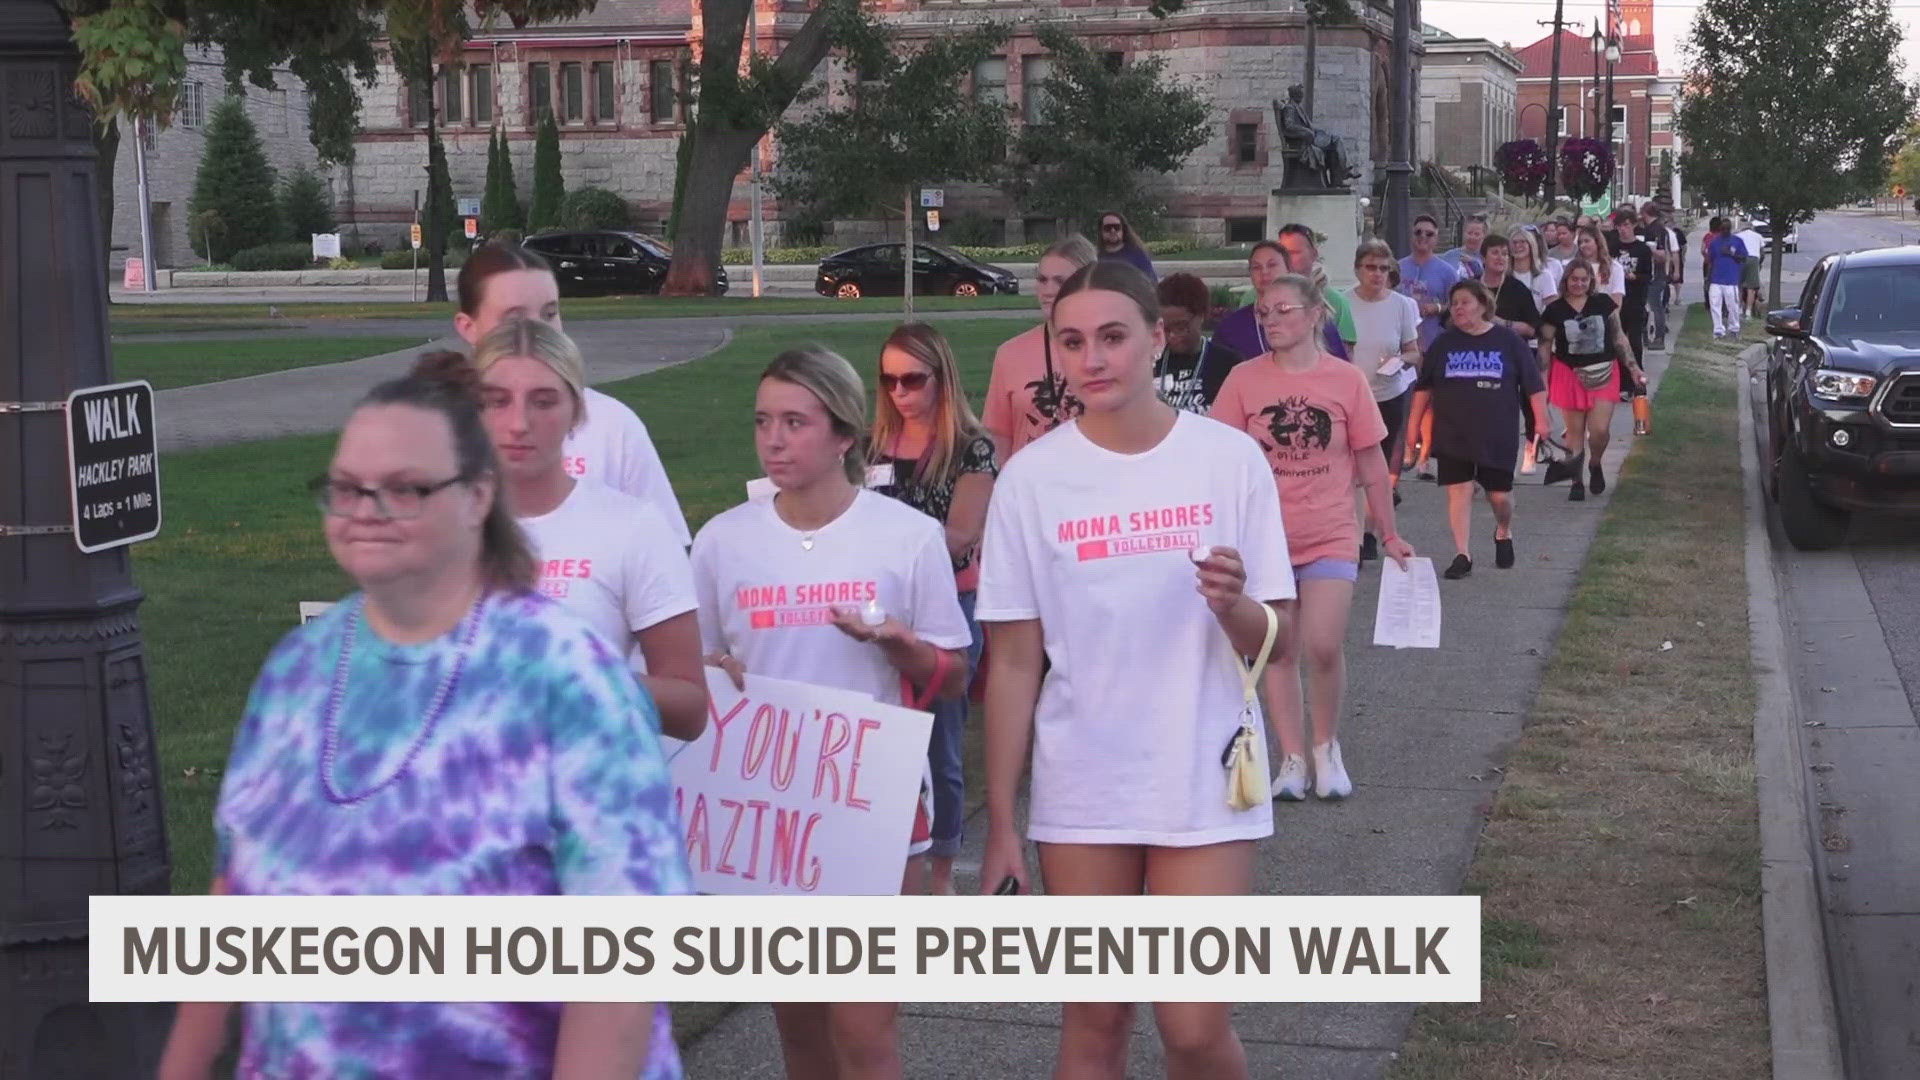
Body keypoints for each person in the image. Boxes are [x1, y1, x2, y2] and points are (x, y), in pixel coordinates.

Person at [160, 353, 690, 1079]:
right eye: (346, 488)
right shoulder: (297, 670)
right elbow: (234, 901)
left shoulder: (571, 680)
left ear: (477, 497)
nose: (367, 511)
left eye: (407, 489)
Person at [978, 260, 1294, 1078]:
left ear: (1158, 339)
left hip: (1204, 771)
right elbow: (1013, 664)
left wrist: (1234, 607)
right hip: (1084, 784)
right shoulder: (1031, 481)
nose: (1093, 359)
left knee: (1190, 1026)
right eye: (1072, 340)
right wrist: (1004, 822)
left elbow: (1278, 639)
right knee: (1097, 1016)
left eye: (1113, 337)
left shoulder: (1228, 461)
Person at [692, 347, 971, 1079]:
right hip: (773, 818)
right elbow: (697, 668)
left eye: (795, 422)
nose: (774, 439)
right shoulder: (724, 540)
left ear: (844, 434)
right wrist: (712, 673)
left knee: (865, 1027)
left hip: (876, 808)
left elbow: (954, 674)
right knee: (803, 1031)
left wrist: (903, 647)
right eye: (763, 422)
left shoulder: (904, 537)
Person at [1212, 273, 1412, 801]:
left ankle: (1327, 747)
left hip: (1329, 532)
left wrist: (1388, 533)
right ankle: (1292, 759)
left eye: (1282, 310)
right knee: (1277, 648)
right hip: (1266, 542)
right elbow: (1221, 464)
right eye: (1264, 313)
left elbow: (1370, 463)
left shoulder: (1345, 380)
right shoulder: (1242, 380)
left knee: (1322, 645)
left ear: (1314, 313)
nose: (1271, 320)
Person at [468, 317, 709, 742]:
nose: (519, 423)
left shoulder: (631, 528)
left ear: (577, 411)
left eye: (543, 401)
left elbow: (690, 707)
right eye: (498, 400)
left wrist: (587, 680)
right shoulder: (435, 532)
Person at [868, 323, 999, 897]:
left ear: (941, 378)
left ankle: (941, 871)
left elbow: (959, 535)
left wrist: (883, 555)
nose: (900, 392)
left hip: (949, 604)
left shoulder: (974, 448)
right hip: (877, 610)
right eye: (889, 379)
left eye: (913, 379)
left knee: (940, 744)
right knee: (877, 737)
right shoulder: (872, 446)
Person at [453, 240, 692, 546]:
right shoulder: (436, 429)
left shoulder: (611, 424)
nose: (538, 331)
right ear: (468, 326)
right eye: (515, 318)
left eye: (550, 314)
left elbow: (667, 551)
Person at [1406, 280, 1549, 580]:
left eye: (1465, 302)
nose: (1458, 308)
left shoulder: (1508, 341)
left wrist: (1542, 422)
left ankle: (1503, 530)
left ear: (1483, 305)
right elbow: (1423, 389)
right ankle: (1463, 554)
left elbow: (1534, 387)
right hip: (1453, 432)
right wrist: (1413, 428)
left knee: (1500, 497)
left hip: (1497, 432)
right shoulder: (1443, 343)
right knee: (1459, 491)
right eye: (1454, 303)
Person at [983, 234, 1099, 463]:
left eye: (1060, 281)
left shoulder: (1107, 353)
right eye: (1042, 279)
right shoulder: (1010, 354)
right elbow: (998, 436)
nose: (1047, 290)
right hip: (1028, 490)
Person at [1537, 259, 1644, 502]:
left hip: (1604, 371)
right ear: (1566, 281)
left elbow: (1619, 338)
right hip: (1568, 372)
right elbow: (1544, 348)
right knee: (1574, 432)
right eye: (1574, 279)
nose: (1579, 284)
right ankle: (1576, 479)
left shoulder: (1603, 304)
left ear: (1591, 281)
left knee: (1599, 431)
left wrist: (1634, 368)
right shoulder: (1555, 310)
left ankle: (1595, 463)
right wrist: (1541, 383)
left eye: (1584, 279)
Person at [1346, 239, 1421, 556]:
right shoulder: (1343, 303)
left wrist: (1401, 361)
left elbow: (1414, 351)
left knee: (1379, 468)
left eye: (1382, 268)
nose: (1376, 274)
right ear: (1358, 269)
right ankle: (1355, 532)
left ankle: (1373, 532)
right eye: (1370, 267)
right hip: (1352, 396)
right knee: (1352, 469)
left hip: (1389, 393)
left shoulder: (1402, 305)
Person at [1215, 240, 1350, 363]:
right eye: (1256, 267)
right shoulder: (1232, 326)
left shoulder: (1313, 319)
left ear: (1288, 270)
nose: (1264, 272)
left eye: (1272, 265)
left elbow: (1340, 369)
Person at [1154, 272, 1248, 413]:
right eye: (1166, 329)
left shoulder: (1228, 364)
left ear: (1202, 316)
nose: (1172, 335)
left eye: (1181, 326)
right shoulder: (1151, 361)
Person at [1276, 223, 1359, 356]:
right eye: (1282, 253)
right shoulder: (1257, 298)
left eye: (1294, 252)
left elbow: (1346, 355)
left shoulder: (1335, 301)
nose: (1287, 259)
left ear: (1313, 254)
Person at [1609, 209, 1657, 434]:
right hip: (1616, 302)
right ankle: (1622, 384)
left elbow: (1649, 276)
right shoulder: (1611, 247)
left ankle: (1637, 381)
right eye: (1620, 225)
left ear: (1633, 226)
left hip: (1635, 302)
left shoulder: (1642, 250)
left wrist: (1634, 277)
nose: (1623, 229)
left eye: (1627, 225)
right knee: (1617, 343)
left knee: (1634, 343)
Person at [1399, 214, 1465, 352]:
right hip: (1399, 343)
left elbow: (1458, 306)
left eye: (1429, 234)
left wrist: (1438, 308)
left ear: (1436, 239)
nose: (1423, 236)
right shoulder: (1398, 268)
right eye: (1418, 232)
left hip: (1433, 344)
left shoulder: (1448, 272)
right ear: (1411, 235)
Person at [1706, 218, 1749, 338]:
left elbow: (1744, 258)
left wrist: (1732, 253)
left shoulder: (1737, 241)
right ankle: (1718, 330)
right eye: (1722, 228)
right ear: (1720, 229)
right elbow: (1711, 261)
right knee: (1715, 305)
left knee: (1733, 306)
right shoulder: (1714, 242)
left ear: (1730, 229)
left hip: (1731, 279)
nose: (1725, 230)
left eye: (1727, 228)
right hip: (1716, 279)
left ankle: (1734, 328)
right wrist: (1708, 279)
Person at [1509, 227, 1561, 312]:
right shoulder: (1504, 275)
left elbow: (1554, 310)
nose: (1518, 246)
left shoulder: (1544, 276)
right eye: (1514, 243)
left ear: (1531, 245)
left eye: (1522, 242)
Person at [1095, 210, 1158, 281]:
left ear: (1123, 230)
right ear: (1101, 231)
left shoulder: (1137, 254)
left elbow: (1151, 283)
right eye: (1108, 228)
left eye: (1116, 227)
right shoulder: (1095, 257)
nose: (1112, 231)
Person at [1576, 224, 1624, 305]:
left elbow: (1617, 297)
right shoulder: (1576, 266)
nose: (1582, 245)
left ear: (1597, 242)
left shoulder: (1615, 267)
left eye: (1587, 241)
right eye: (1580, 242)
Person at [1735, 218, 1767, 318]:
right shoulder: (1758, 236)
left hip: (1740, 259)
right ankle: (1748, 312)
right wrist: (1759, 264)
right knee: (1751, 288)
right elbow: (1762, 252)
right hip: (1754, 259)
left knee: (1739, 285)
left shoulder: (1737, 236)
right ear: (1752, 227)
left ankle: (1739, 309)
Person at [1441, 213, 1489, 278]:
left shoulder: (1488, 259)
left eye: (1477, 234)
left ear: (1484, 236)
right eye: (1469, 233)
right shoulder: (1449, 256)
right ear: (1464, 233)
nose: (1472, 237)